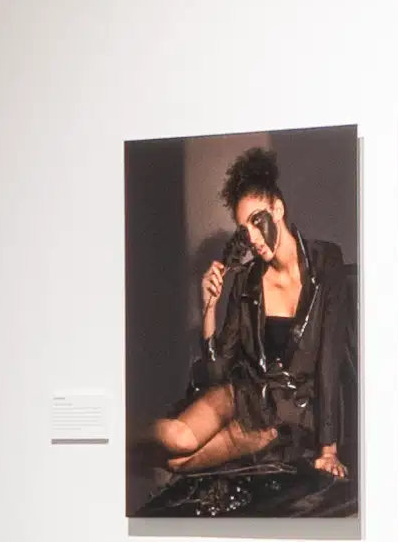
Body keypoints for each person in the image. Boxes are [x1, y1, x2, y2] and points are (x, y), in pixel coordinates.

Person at [143, 142, 349, 516]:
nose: (252, 237)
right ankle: (119, 432)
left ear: (278, 208)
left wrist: (328, 449)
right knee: (175, 436)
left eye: (258, 220)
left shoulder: (325, 263)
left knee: (175, 463)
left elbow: (330, 359)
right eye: (243, 228)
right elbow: (218, 370)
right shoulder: (246, 280)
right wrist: (207, 310)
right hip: (241, 393)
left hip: (278, 421)